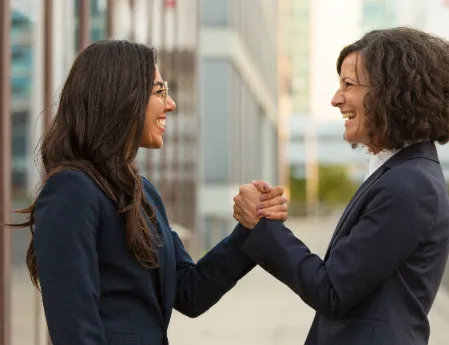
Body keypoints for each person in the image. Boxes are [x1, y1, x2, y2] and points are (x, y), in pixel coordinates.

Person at [10, 40, 287, 345]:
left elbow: (191, 292)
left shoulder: (144, 194)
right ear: (121, 97)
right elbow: (75, 331)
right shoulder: (70, 192)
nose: (171, 104)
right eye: (159, 91)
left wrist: (251, 226)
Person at [233, 27, 449, 345]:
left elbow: (331, 290)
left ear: (391, 92)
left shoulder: (410, 184)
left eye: (348, 85)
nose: (336, 99)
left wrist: (261, 226)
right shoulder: (401, 173)